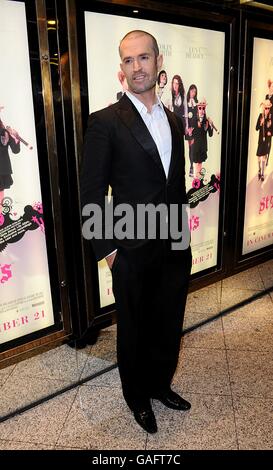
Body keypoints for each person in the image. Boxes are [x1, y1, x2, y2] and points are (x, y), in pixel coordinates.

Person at [81, 30, 192, 434]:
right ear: (121, 69)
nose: (137, 67)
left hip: (174, 246)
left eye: (143, 58)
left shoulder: (174, 120)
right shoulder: (105, 122)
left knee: (168, 321)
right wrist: (109, 252)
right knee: (135, 327)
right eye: (128, 60)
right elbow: (90, 193)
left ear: (158, 61)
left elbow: (174, 185)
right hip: (130, 247)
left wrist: (183, 239)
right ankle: (137, 396)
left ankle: (161, 384)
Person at [0, 115, 20, 212]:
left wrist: (16, 138)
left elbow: (15, 150)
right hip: (3, 169)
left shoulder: (5, 132)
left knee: (0, 194)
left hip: (2, 169)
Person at [191, 98, 213, 179]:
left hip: (203, 146)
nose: (201, 110)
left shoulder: (206, 121)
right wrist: (190, 132)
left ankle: (199, 178)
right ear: (197, 108)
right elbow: (192, 134)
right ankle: (196, 177)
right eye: (200, 108)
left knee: (200, 163)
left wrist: (210, 126)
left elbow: (210, 134)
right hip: (196, 145)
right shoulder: (194, 119)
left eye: (203, 108)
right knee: (196, 163)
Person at [256, 99, 272, 182]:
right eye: (266, 108)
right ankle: (259, 169)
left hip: (266, 140)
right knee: (259, 157)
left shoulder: (270, 117)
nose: (267, 110)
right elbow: (256, 128)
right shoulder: (260, 116)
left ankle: (262, 173)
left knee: (264, 157)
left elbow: (272, 129)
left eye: (268, 108)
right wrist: (260, 123)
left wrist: (270, 132)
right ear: (263, 108)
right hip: (261, 140)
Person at [186, 84, 198, 177]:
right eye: (192, 91)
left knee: (194, 148)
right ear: (189, 91)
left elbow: (197, 116)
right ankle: (191, 167)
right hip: (189, 128)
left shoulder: (196, 103)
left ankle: (193, 167)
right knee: (190, 148)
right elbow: (185, 116)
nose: (193, 93)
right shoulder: (186, 103)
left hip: (195, 128)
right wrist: (188, 128)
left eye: (194, 91)